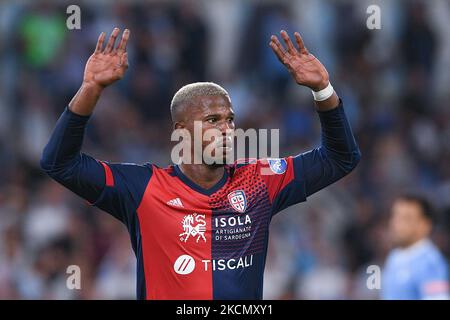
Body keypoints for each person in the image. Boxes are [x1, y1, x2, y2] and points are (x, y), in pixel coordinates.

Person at [40, 27, 360, 299]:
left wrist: (323, 91)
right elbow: (59, 163)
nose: (226, 129)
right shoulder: (142, 188)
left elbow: (340, 158)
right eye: (212, 120)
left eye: (230, 120)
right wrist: (90, 89)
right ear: (182, 131)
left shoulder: (259, 180)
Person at [382, 194, 449, 300]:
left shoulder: (431, 264)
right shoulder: (395, 255)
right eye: (395, 216)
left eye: (406, 218)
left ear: (425, 225)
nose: (396, 223)